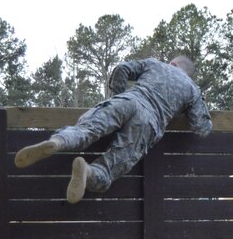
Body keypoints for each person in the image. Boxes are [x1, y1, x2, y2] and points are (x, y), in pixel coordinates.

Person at [14, 56, 212, 203]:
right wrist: (194, 105)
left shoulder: (155, 64)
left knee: (86, 130)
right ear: (187, 73)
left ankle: (57, 142)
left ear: (172, 63)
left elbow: (122, 68)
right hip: (148, 122)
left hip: (128, 100)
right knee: (110, 168)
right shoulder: (192, 89)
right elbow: (201, 127)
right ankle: (89, 171)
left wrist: (116, 95)